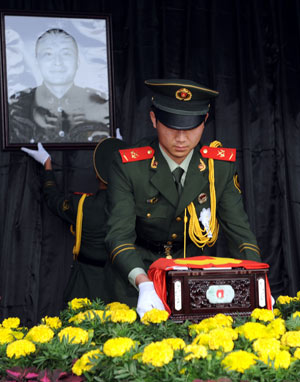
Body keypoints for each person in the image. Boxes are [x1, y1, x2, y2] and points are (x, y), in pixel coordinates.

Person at [104, 78, 262, 318]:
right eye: (171, 126)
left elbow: (240, 233)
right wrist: (144, 283)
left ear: (205, 121)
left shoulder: (217, 168)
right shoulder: (129, 166)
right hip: (137, 277)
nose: (181, 138)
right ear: (154, 119)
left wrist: (256, 277)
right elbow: (119, 235)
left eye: (190, 127)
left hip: (195, 280)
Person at [21, 137, 127, 304]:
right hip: (122, 286)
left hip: (84, 286)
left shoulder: (81, 204)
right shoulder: (137, 206)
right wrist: (123, 154)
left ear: (96, 172)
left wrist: (47, 164)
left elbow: (52, 199)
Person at [9, 28, 109, 144]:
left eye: (66, 53)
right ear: (37, 62)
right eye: (48, 54)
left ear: (78, 61)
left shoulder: (101, 106)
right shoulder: (16, 109)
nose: (57, 62)